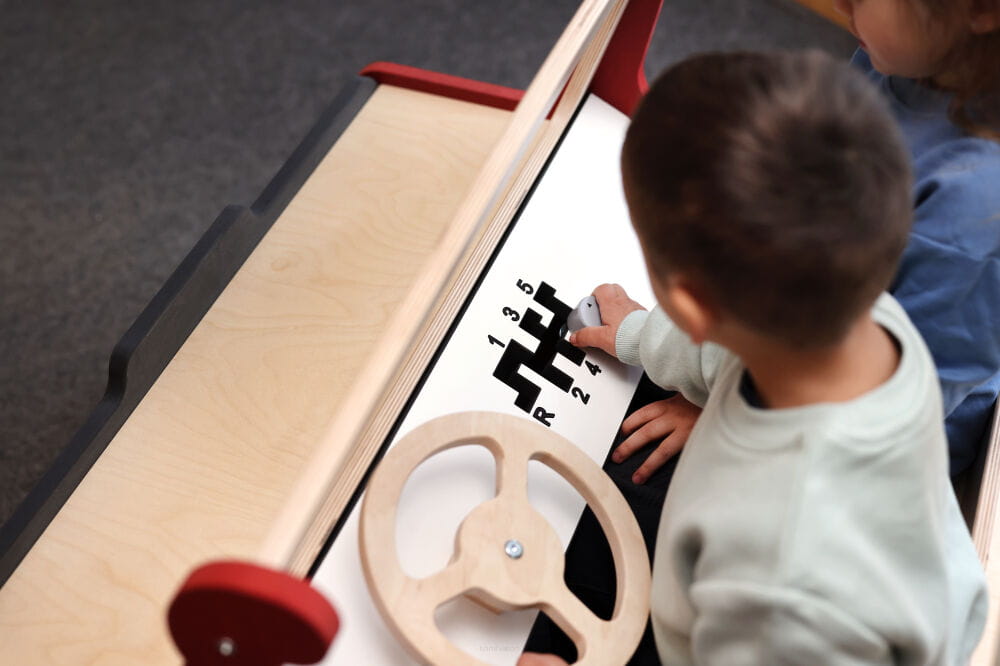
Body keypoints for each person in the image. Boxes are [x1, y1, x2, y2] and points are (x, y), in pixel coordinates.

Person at [519, 50, 987, 665]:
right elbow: (722, 356)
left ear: (692, 304)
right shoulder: (866, 322)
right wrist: (636, 333)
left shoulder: (779, 577)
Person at [618, 0, 1000, 485]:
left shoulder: (973, 214)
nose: (840, 2)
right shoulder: (897, 59)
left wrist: (713, 399)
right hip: (801, 355)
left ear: (981, 11)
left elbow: (868, 409)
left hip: (846, 455)